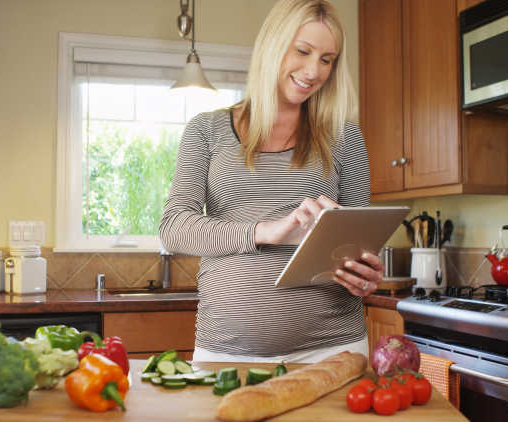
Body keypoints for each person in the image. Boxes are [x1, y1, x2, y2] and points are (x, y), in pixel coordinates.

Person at [159, 0, 382, 363]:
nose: (314, 71)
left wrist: (366, 272)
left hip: (332, 350)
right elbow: (175, 228)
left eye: (327, 60)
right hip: (225, 352)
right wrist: (267, 231)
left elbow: (360, 243)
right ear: (273, 45)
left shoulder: (346, 138)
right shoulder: (206, 130)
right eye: (303, 51)